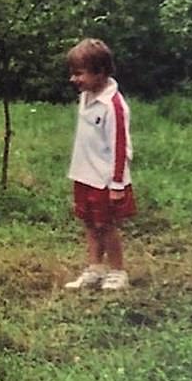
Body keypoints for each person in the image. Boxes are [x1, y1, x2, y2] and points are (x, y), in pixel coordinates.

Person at [64, 38, 136, 291]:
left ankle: (117, 271)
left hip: (106, 179)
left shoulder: (113, 106)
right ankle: (95, 268)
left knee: (106, 226)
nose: (74, 79)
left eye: (79, 73)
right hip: (84, 174)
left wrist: (117, 183)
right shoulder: (86, 96)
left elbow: (119, 147)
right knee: (89, 223)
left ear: (101, 72)